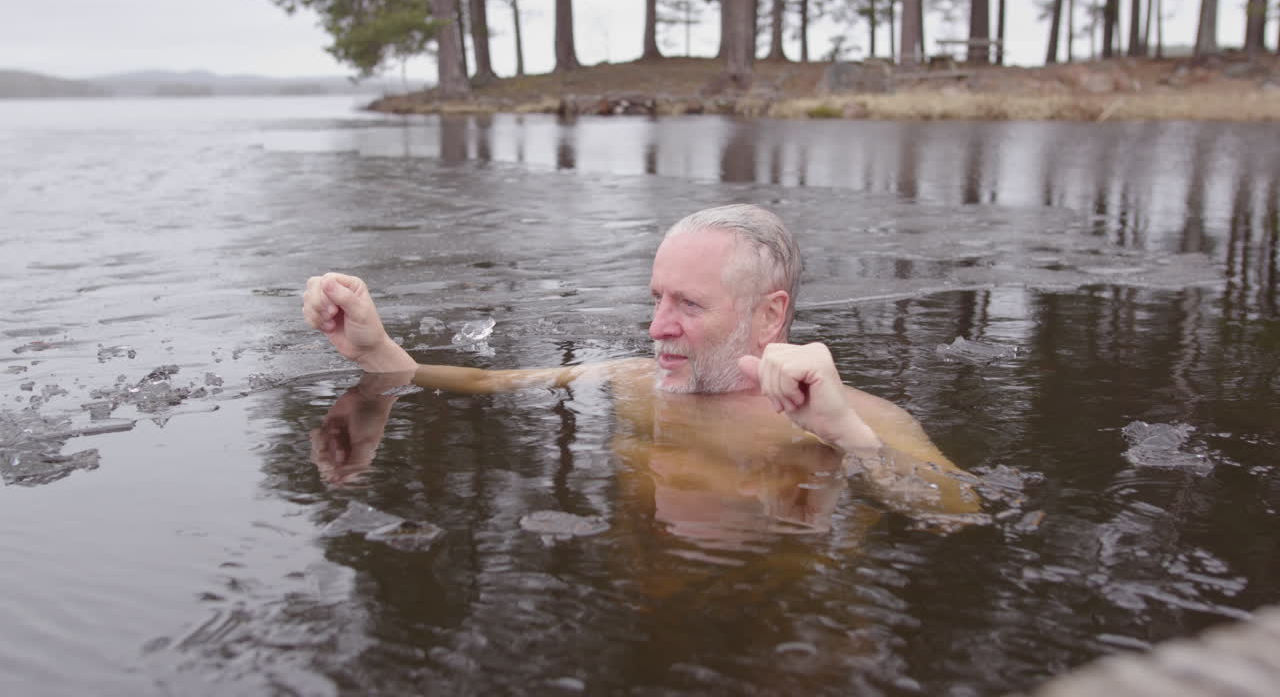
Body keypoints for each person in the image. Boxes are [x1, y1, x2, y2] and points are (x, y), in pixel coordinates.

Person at [302, 204, 981, 518]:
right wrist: (376, 351)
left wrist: (847, 437)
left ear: (769, 315)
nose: (657, 327)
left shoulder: (853, 416)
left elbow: (961, 510)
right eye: (656, 298)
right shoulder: (632, 379)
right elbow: (484, 382)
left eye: (688, 304)